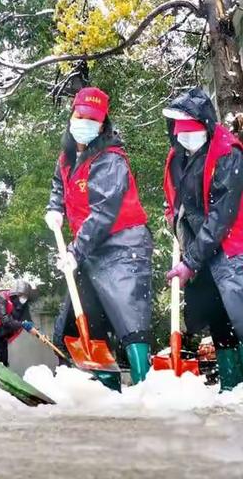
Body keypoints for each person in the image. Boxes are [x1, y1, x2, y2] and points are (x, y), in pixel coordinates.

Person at [46, 86, 153, 385]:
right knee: (83, 317)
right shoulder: (67, 157)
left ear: (103, 124)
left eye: (92, 120)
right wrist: (55, 208)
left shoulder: (111, 159)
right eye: (80, 116)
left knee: (128, 314)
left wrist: (75, 251)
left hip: (123, 243)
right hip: (90, 247)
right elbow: (59, 186)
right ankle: (105, 386)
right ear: (71, 115)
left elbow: (104, 214)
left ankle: (144, 384)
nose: (84, 123)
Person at [162, 88, 243, 391]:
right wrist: (173, 217)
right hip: (198, 246)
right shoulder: (178, 157)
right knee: (214, 311)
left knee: (239, 311)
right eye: (180, 131)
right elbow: (177, 196)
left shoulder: (228, 155)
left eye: (191, 130)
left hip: (232, 245)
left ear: (206, 126)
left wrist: (190, 262)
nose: (185, 136)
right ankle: (232, 384)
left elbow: (222, 215)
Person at [0, 280, 36, 366]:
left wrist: (37, 332)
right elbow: (6, 320)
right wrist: (23, 324)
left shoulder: (21, 305)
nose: (23, 299)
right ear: (15, 294)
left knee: (3, 364)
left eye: (25, 297)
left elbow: (28, 320)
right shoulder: (1, 298)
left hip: (2, 338)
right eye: (22, 295)